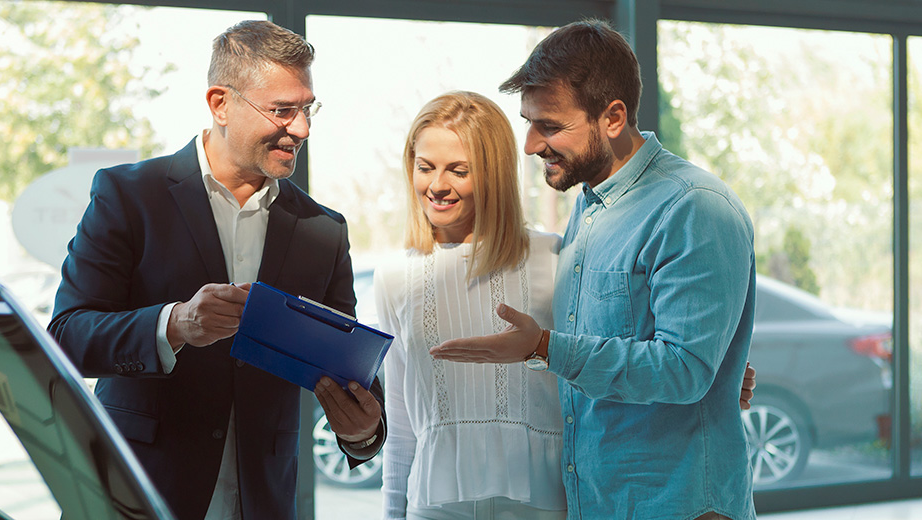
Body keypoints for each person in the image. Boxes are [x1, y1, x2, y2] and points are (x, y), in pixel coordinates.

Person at [48, 20, 385, 520]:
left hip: (263, 503)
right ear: (220, 103)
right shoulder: (128, 197)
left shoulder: (323, 230)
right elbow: (67, 337)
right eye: (282, 110)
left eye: (307, 109)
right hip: (138, 497)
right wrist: (176, 323)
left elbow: (348, 368)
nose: (302, 129)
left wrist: (363, 433)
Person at [429, 19, 757, 520]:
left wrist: (544, 347)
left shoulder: (694, 207)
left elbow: (685, 371)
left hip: (679, 506)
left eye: (550, 126)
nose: (530, 145)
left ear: (613, 117)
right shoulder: (589, 206)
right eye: (529, 122)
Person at [377, 91, 567, 520]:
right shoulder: (394, 276)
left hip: (541, 504)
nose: (437, 185)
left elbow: (587, 384)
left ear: (494, 174)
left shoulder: (553, 257)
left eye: (458, 170)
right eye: (425, 167)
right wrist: (392, 512)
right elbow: (401, 418)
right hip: (433, 507)